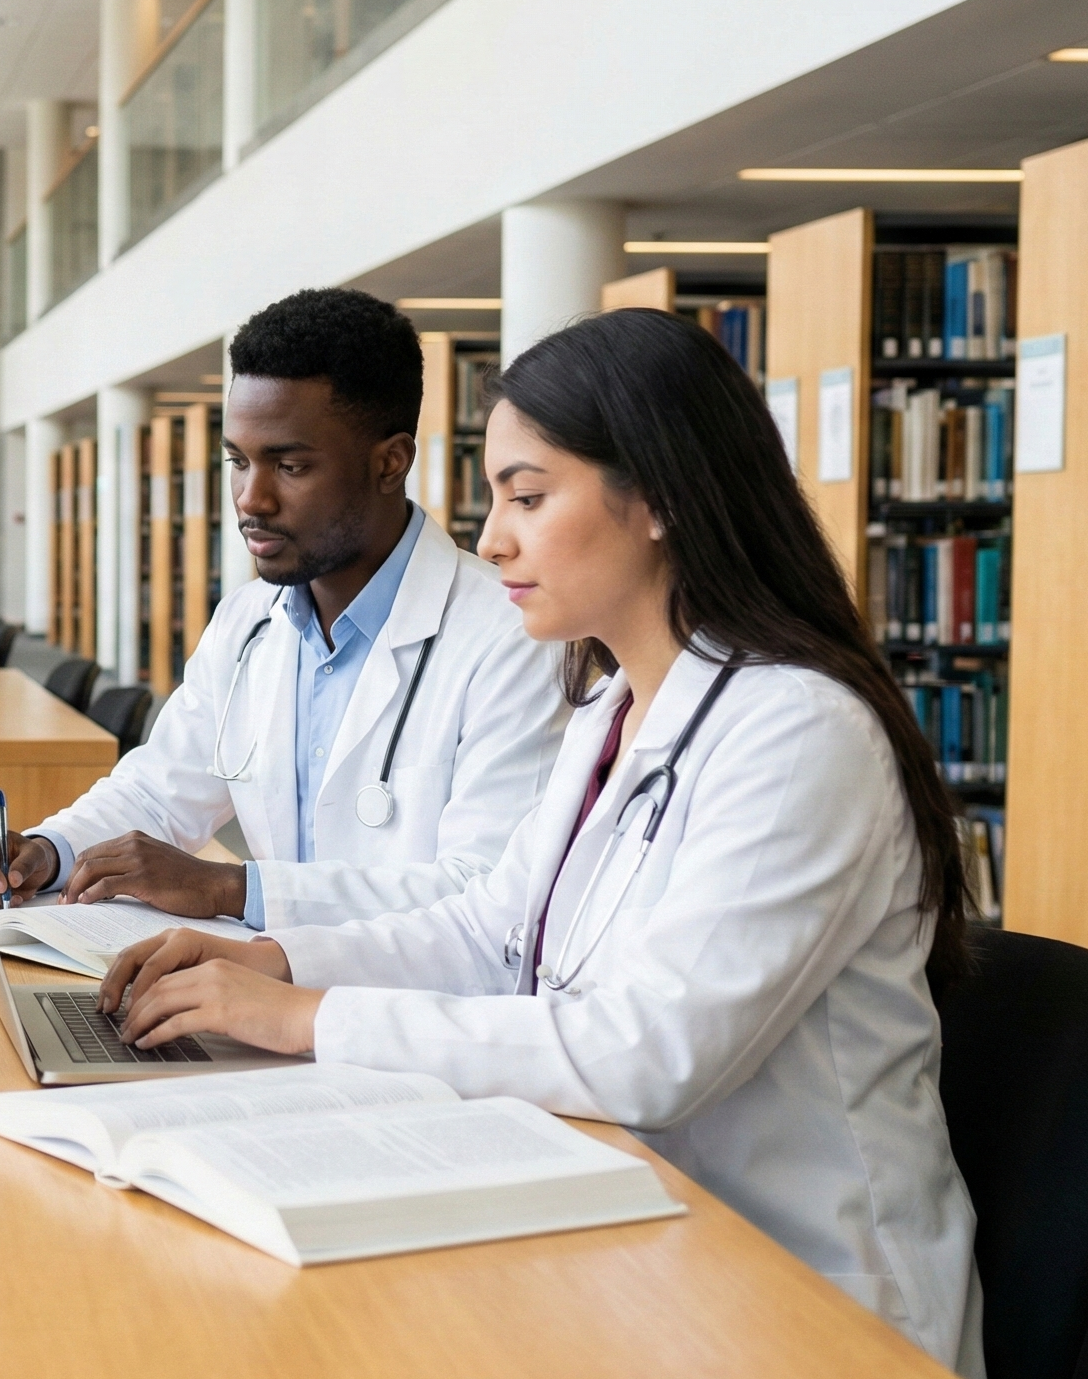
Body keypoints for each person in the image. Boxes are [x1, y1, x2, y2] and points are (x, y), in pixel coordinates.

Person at [97, 308, 981, 1370]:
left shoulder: (796, 731)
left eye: (527, 495)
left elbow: (650, 1057)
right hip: (627, 1227)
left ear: (656, 496)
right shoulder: (616, 706)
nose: (491, 539)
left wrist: (302, 1017)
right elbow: (490, 931)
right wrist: (270, 960)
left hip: (797, 1297)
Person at [0, 288, 566, 931]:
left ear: (390, 463)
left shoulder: (512, 637)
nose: (252, 500)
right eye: (237, 461)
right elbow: (161, 788)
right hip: (264, 990)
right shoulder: (249, 622)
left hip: (405, 1013)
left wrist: (233, 888)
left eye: (289, 465)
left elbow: (488, 893)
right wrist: (47, 851)